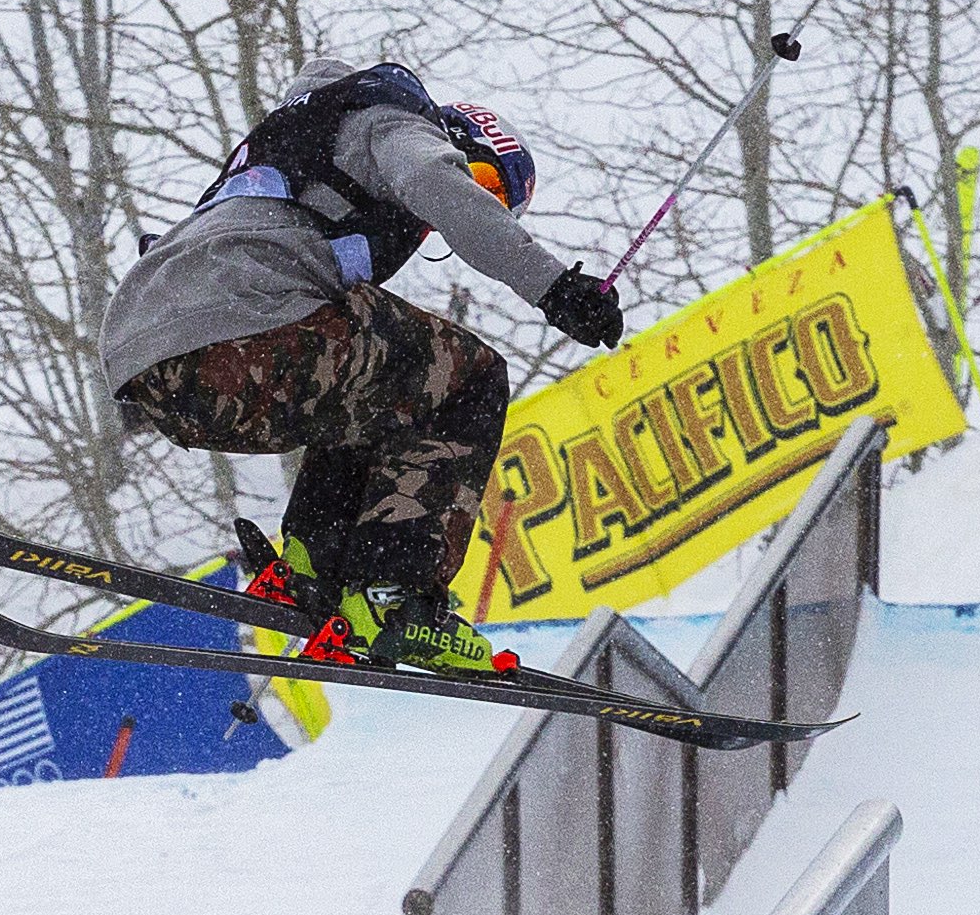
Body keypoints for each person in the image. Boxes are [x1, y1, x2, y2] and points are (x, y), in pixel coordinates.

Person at [101, 57, 624, 672]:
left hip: (158, 360)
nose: (465, 209)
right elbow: (432, 178)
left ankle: (312, 565)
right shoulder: (389, 119)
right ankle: (394, 598)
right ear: (456, 138)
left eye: (494, 205)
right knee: (472, 377)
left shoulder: (289, 147)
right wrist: (553, 286)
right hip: (241, 331)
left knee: (384, 391)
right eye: (481, 184)